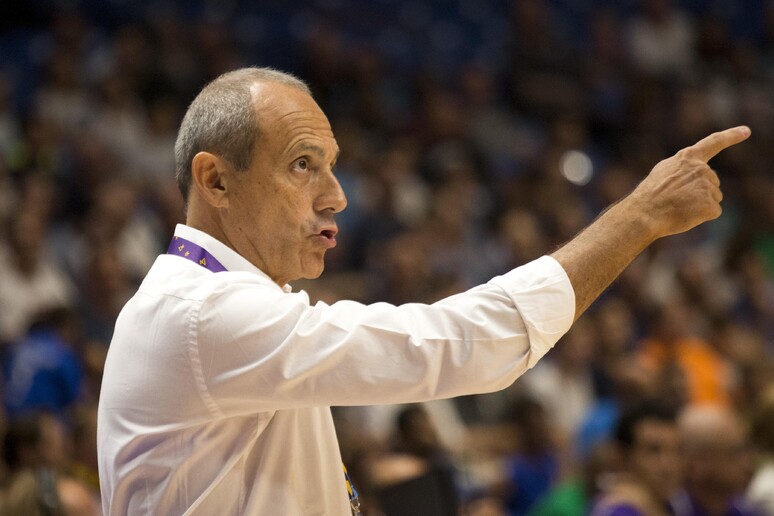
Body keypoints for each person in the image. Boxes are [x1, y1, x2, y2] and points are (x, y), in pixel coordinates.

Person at [96, 66, 750, 515]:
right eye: (303, 165)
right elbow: (454, 346)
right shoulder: (203, 312)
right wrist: (640, 219)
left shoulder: (224, 303)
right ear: (215, 181)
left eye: (332, 166)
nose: (336, 196)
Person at [589, 400, 683, 516]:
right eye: (653, 451)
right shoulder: (618, 512)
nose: (668, 465)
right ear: (622, 457)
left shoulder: (672, 505)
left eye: (677, 450)